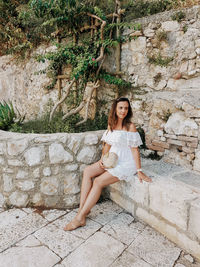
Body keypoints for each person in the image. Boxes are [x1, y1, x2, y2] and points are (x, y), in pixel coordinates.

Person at [64, 97, 152, 231]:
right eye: (121, 108)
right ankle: (83, 210)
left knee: (98, 181)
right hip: (112, 159)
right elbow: (107, 145)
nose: (123, 111)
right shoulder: (112, 124)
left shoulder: (130, 127)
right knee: (88, 171)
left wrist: (139, 170)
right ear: (115, 109)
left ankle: (80, 218)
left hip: (126, 162)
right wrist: (102, 159)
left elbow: (135, 149)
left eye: (126, 108)